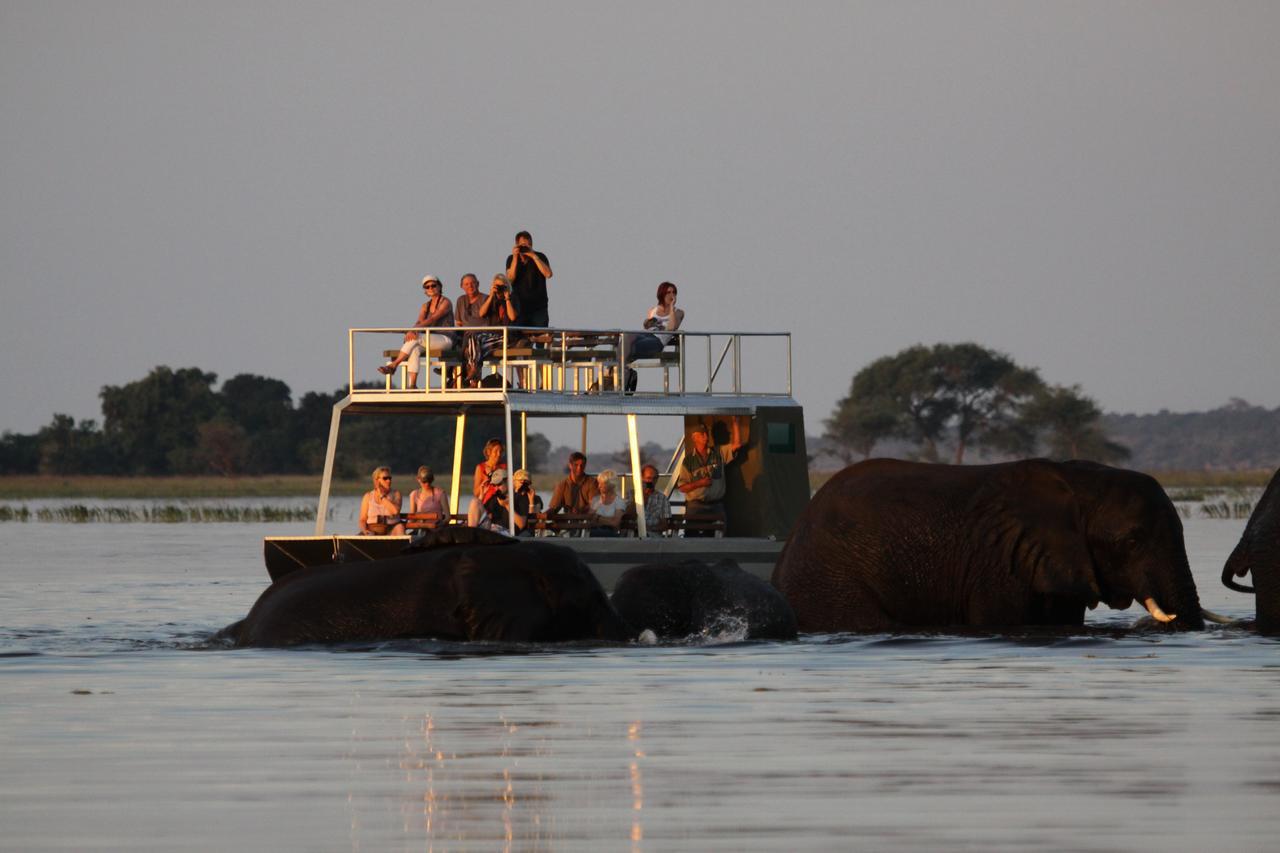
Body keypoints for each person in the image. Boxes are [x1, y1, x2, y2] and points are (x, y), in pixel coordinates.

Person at [378, 275, 457, 388]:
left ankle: (394, 365)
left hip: (446, 339)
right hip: (429, 340)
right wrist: (411, 331)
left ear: (439, 286)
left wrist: (414, 331)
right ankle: (413, 385)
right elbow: (419, 321)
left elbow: (433, 318)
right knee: (414, 349)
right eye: (427, 287)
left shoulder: (446, 302)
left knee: (416, 337)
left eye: (433, 285)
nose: (430, 288)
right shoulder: (425, 306)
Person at [676, 420, 743, 537]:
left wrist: (735, 421)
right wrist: (699, 483)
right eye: (702, 434)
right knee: (693, 537)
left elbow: (737, 445)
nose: (706, 436)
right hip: (696, 505)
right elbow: (682, 488)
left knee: (719, 536)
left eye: (706, 433)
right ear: (694, 437)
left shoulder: (719, 452)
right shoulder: (688, 461)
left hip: (716, 505)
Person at [626, 281, 684, 393]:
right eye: (668, 292)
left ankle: (625, 376)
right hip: (645, 335)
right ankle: (622, 375)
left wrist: (671, 308)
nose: (672, 295)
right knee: (625, 339)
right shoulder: (653, 310)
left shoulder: (678, 312)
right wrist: (648, 322)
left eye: (674, 292)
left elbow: (671, 328)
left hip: (657, 341)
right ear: (661, 294)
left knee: (626, 349)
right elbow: (646, 326)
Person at [462, 274, 519, 387]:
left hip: (507, 337)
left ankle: (474, 379)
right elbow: (481, 313)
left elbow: (512, 317)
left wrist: (507, 298)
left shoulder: (513, 298)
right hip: (492, 336)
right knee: (473, 339)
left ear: (507, 286)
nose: (499, 289)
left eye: (502, 286)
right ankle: (474, 370)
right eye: (497, 286)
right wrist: (492, 294)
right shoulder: (492, 299)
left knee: (471, 350)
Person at [504, 231, 554, 327]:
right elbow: (510, 279)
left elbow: (548, 274)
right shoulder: (511, 259)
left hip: (539, 307)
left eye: (529, 244)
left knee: (541, 337)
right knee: (520, 337)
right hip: (519, 306)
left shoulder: (540, 256)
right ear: (517, 245)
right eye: (523, 245)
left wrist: (533, 256)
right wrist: (515, 257)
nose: (526, 247)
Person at [547, 451, 599, 516]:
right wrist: (545, 515)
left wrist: (581, 510)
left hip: (588, 522)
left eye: (582, 465)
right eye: (576, 465)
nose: (579, 468)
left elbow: (595, 505)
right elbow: (554, 508)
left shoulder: (592, 482)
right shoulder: (562, 485)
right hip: (568, 522)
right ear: (570, 465)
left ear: (585, 465)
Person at [358, 466, 404, 535]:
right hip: (373, 529)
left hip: (391, 529)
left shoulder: (396, 494)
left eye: (390, 478)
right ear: (377, 480)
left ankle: (398, 544)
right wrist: (364, 530)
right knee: (364, 535)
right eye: (385, 478)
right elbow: (362, 520)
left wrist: (382, 497)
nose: (389, 481)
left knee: (400, 527)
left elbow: (395, 511)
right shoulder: (368, 496)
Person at [628, 464, 671, 536]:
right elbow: (629, 515)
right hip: (634, 533)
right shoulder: (631, 494)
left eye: (654, 478)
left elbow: (665, 524)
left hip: (653, 534)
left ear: (657, 479)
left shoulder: (663, 498)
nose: (651, 481)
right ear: (642, 478)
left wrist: (650, 529)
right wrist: (643, 497)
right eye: (648, 478)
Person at [589, 470, 625, 537]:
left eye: (601, 484)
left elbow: (615, 523)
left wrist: (597, 517)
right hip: (594, 532)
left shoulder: (619, 501)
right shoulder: (596, 500)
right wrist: (608, 520)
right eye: (598, 483)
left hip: (611, 535)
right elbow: (590, 519)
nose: (599, 486)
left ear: (610, 484)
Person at [472, 438, 506, 505]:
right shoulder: (480, 468)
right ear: (488, 452)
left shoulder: (504, 467)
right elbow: (476, 493)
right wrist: (488, 478)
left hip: (501, 502)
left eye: (501, 451)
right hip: (486, 502)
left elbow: (508, 489)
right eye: (496, 451)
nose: (499, 454)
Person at [510, 469, 542, 536]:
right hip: (511, 530)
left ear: (529, 483)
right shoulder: (510, 497)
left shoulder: (536, 498)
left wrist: (531, 501)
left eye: (526, 482)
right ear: (514, 482)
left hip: (527, 531)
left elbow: (533, 518)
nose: (523, 483)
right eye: (520, 481)